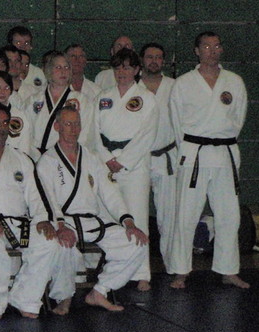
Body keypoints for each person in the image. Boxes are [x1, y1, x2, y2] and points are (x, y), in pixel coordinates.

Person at [0, 104, 76, 318]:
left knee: (48, 242)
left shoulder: (21, 159)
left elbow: (37, 195)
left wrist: (42, 219)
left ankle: (25, 298)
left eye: (5, 122)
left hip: (18, 224)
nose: (1, 127)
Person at [37, 107, 148, 312]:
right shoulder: (47, 161)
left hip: (92, 222)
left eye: (77, 124)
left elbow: (111, 193)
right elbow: (48, 200)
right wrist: (60, 226)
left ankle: (99, 291)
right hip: (65, 222)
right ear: (57, 126)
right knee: (63, 246)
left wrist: (129, 222)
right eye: (68, 124)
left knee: (137, 243)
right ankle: (64, 297)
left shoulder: (92, 157)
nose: (73, 129)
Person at [168, 32, 249, 290]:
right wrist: (188, 149)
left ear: (221, 50)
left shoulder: (234, 81)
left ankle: (228, 269)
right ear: (197, 51)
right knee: (186, 214)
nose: (211, 51)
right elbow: (176, 122)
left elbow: (238, 118)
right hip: (194, 152)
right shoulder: (183, 83)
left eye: (216, 46)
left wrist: (222, 139)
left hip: (225, 153)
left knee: (229, 215)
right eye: (206, 46)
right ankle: (181, 270)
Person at [92, 48, 157, 291]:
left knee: (136, 216)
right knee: (110, 215)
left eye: (127, 67)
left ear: (137, 70)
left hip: (134, 165)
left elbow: (148, 134)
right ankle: (115, 268)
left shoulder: (146, 98)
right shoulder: (103, 96)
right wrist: (106, 157)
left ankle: (142, 272)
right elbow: (94, 131)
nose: (122, 72)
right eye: (118, 67)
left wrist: (124, 159)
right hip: (106, 163)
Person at [139, 42, 177, 266]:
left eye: (158, 57)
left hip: (166, 156)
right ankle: (139, 268)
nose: (154, 61)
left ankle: (172, 264)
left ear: (163, 61)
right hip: (139, 159)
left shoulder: (175, 86)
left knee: (168, 216)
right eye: (149, 57)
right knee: (138, 214)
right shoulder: (132, 87)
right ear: (142, 60)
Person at [26, 50, 94, 156]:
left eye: (66, 67)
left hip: (66, 154)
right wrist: (34, 155)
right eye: (58, 67)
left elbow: (85, 133)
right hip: (35, 155)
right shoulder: (34, 100)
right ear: (49, 71)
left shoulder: (81, 100)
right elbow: (26, 132)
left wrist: (69, 154)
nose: (63, 71)